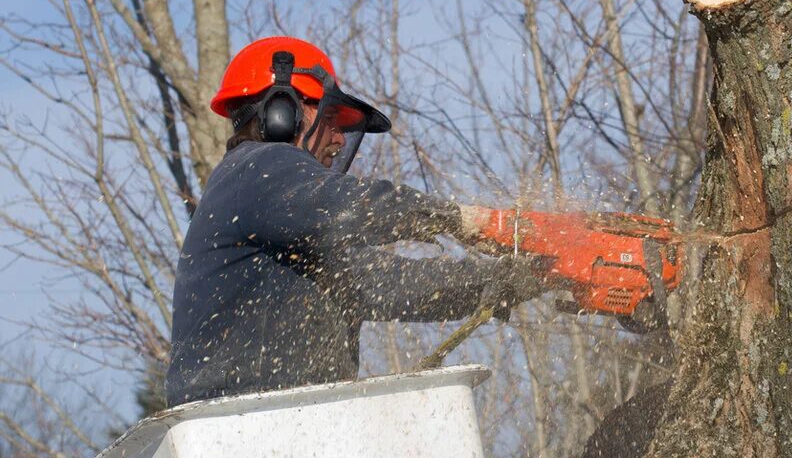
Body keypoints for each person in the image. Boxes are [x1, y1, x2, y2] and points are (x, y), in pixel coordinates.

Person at [165, 36, 540, 405]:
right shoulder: (258, 168)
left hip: (279, 428)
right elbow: (349, 208)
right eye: (330, 119)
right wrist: (460, 220)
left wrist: (517, 276)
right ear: (282, 113)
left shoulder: (287, 228)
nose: (340, 140)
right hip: (239, 426)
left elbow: (395, 284)